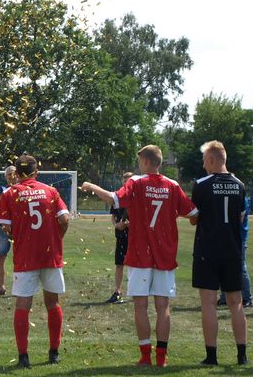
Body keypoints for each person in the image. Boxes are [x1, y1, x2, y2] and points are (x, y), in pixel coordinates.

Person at [81, 145, 197, 367]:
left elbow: (114, 199)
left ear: (144, 161)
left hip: (140, 255)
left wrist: (92, 185)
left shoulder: (136, 182)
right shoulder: (172, 186)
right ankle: (161, 359)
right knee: (163, 307)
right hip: (164, 255)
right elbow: (193, 213)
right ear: (159, 162)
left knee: (140, 306)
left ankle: (145, 357)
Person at [0, 155, 70, 368]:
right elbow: (64, 219)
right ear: (35, 172)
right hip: (50, 255)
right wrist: (57, 239)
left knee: (23, 305)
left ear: (17, 174)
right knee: (52, 303)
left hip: (25, 257)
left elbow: (6, 228)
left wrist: (17, 236)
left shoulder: (9, 194)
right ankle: (54, 353)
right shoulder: (51, 191)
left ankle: (23, 357)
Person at [190, 140, 248, 365]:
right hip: (232, 250)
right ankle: (242, 356)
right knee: (236, 302)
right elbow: (241, 218)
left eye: (205, 161)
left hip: (208, 250)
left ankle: (211, 356)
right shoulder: (240, 185)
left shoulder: (202, 184)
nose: (204, 165)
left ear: (212, 160)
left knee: (208, 303)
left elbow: (194, 217)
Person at [216, 196, 252, 308]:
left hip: (238, 237)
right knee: (223, 266)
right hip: (224, 236)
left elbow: (239, 218)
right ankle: (224, 297)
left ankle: (246, 297)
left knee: (240, 267)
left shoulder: (241, 197)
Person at [105, 172, 133, 304]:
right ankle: (118, 292)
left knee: (135, 265)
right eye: (125, 180)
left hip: (134, 237)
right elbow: (113, 216)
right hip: (121, 236)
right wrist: (117, 225)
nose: (126, 183)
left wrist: (127, 224)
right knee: (119, 264)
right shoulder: (117, 197)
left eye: (129, 180)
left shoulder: (136, 196)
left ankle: (136, 292)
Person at [0, 165, 17, 296]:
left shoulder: (23, 190)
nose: (11, 176)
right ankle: (1, 287)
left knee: (19, 258)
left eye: (14, 174)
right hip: (4, 228)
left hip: (20, 228)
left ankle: (19, 287)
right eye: (9, 174)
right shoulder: (2, 190)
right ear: (6, 177)